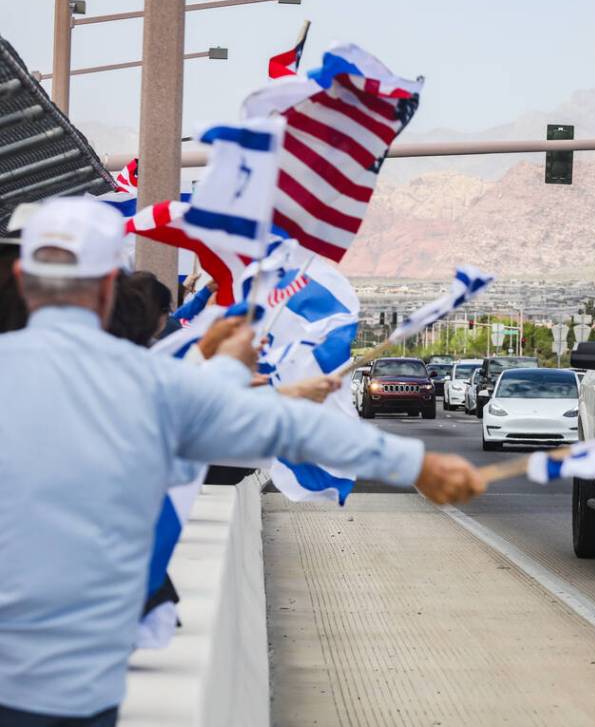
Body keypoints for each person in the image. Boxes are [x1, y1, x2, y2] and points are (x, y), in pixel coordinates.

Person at [0, 198, 486, 726]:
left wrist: (223, 367)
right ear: (106, 287)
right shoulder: (153, 386)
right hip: (72, 690)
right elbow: (286, 425)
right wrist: (414, 463)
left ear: (23, 275)